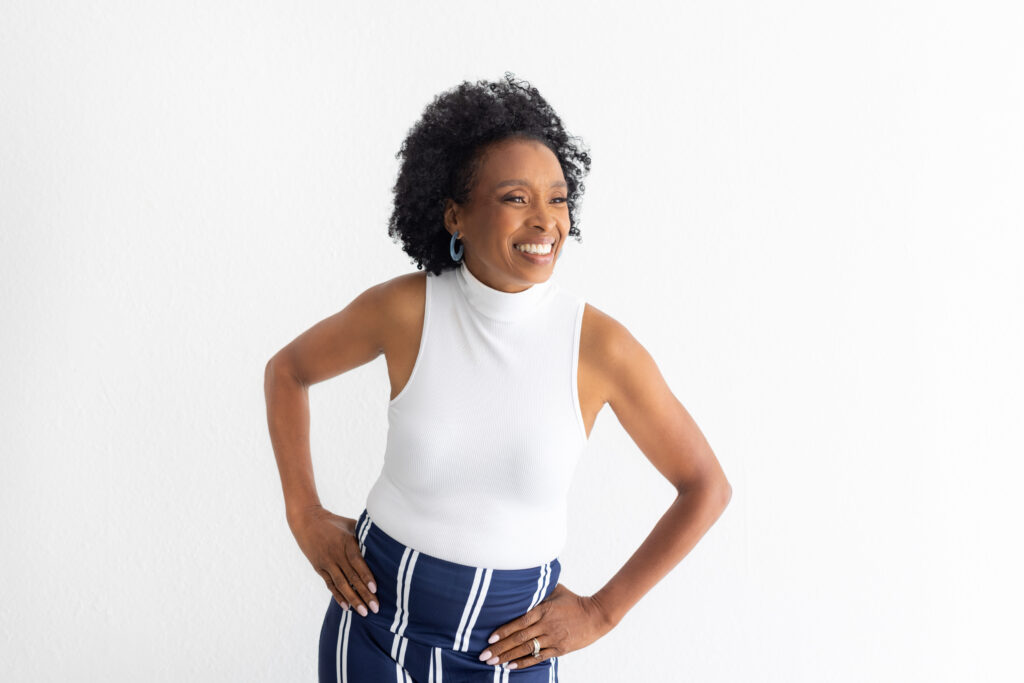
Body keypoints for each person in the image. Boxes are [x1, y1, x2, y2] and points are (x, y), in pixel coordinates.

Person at [264, 72, 732, 682]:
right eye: (516, 198)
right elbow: (288, 372)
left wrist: (601, 613)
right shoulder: (405, 310)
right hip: (375, 627)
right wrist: (304, 515)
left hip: (512, 652)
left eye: (558, 199)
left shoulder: (600, 347)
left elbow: (706, 486)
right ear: (454, 214)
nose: (545, 222)